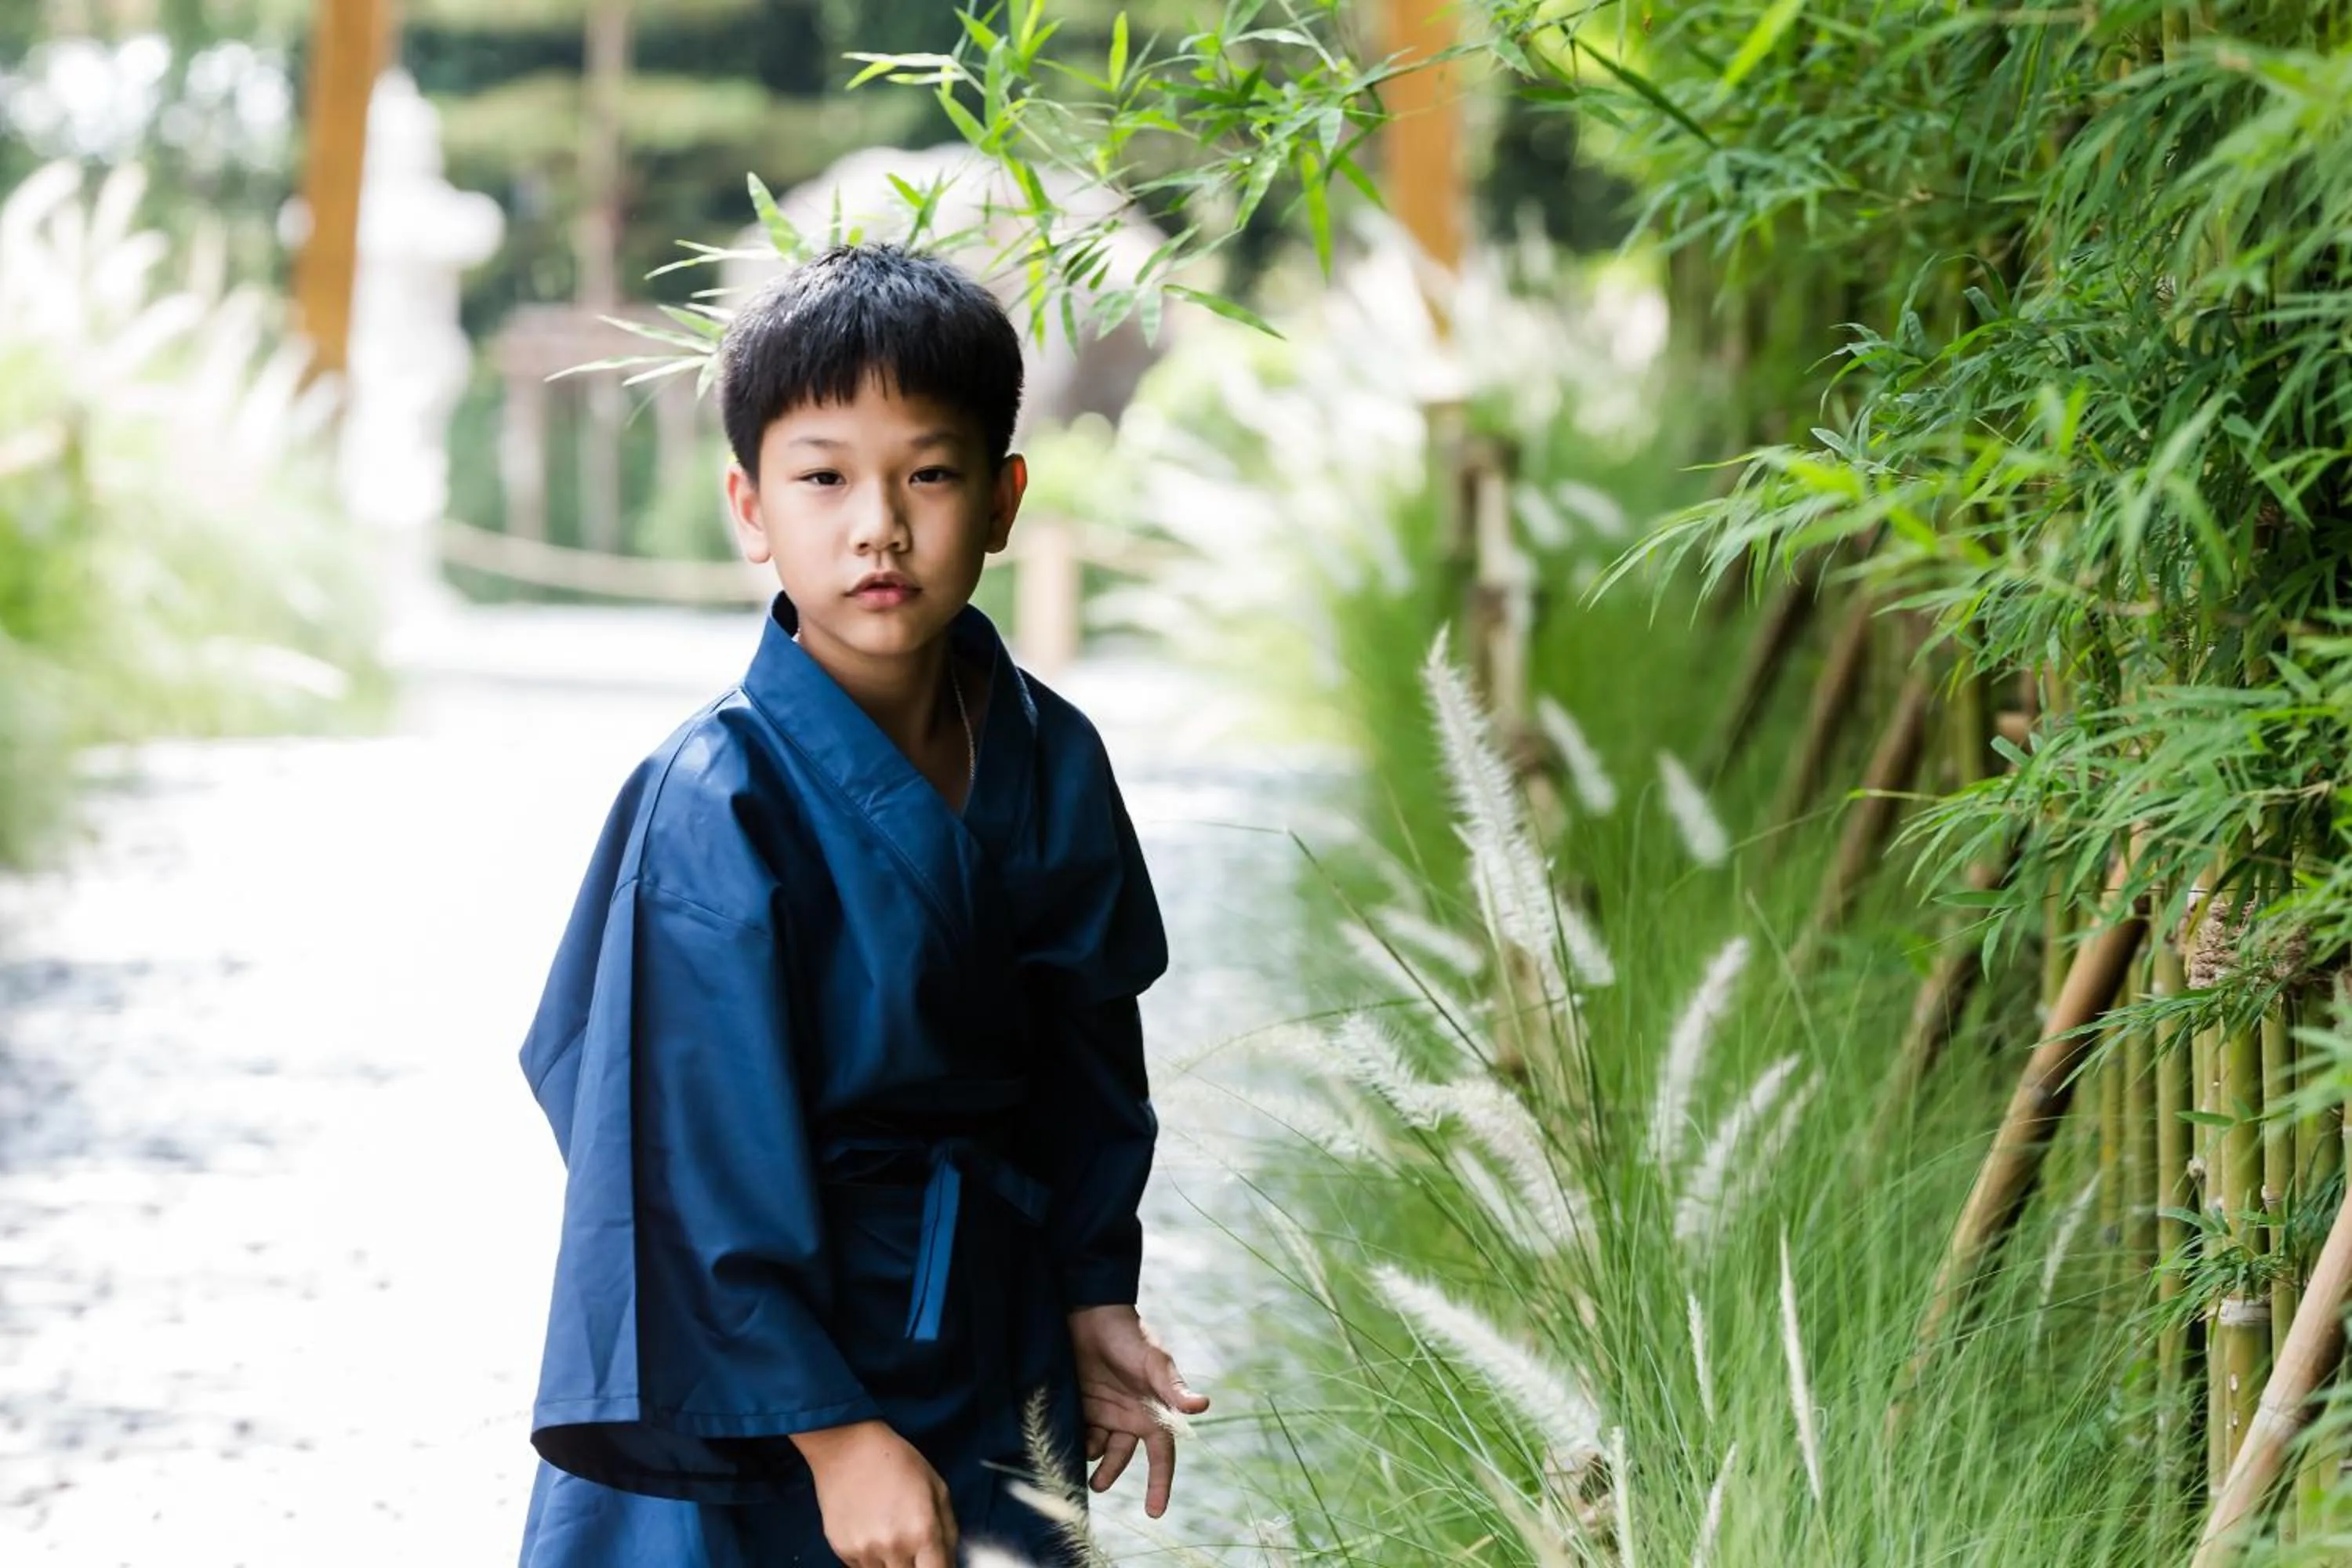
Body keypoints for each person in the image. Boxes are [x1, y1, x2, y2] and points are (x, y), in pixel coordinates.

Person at [514, 243, 1208, 1567]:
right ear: (749, 506)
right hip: (763, 1376)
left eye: (928, 474)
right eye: (823, 477)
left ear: (1005, 499)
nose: (877, 524)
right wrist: (830, 1432)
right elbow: (675, 1162)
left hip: (988, 1338)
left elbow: (1087, 1062)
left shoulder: (1048, 756)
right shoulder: (717, 801)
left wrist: (1090, 1292)